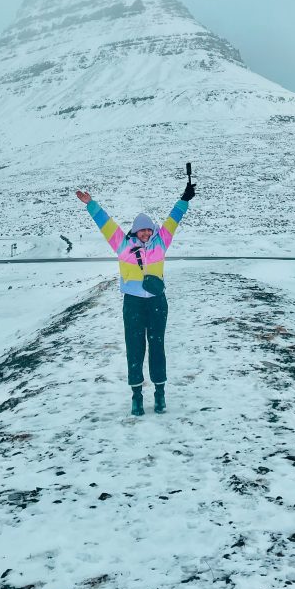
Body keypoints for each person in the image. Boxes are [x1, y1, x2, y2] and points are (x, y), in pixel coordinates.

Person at [75, 177, 196, 416]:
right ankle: (137, 396)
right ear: (135, 230)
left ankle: (160, 393)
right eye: (142, 229)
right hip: (132, 303)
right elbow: (106, 224)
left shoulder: (161, 243)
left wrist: (184, 199)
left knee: (157, 345)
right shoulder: (122, 245)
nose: (146, 232)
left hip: (157, 302)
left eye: (149, 229)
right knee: (134, 347)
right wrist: (91, 204)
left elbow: (173, 221)